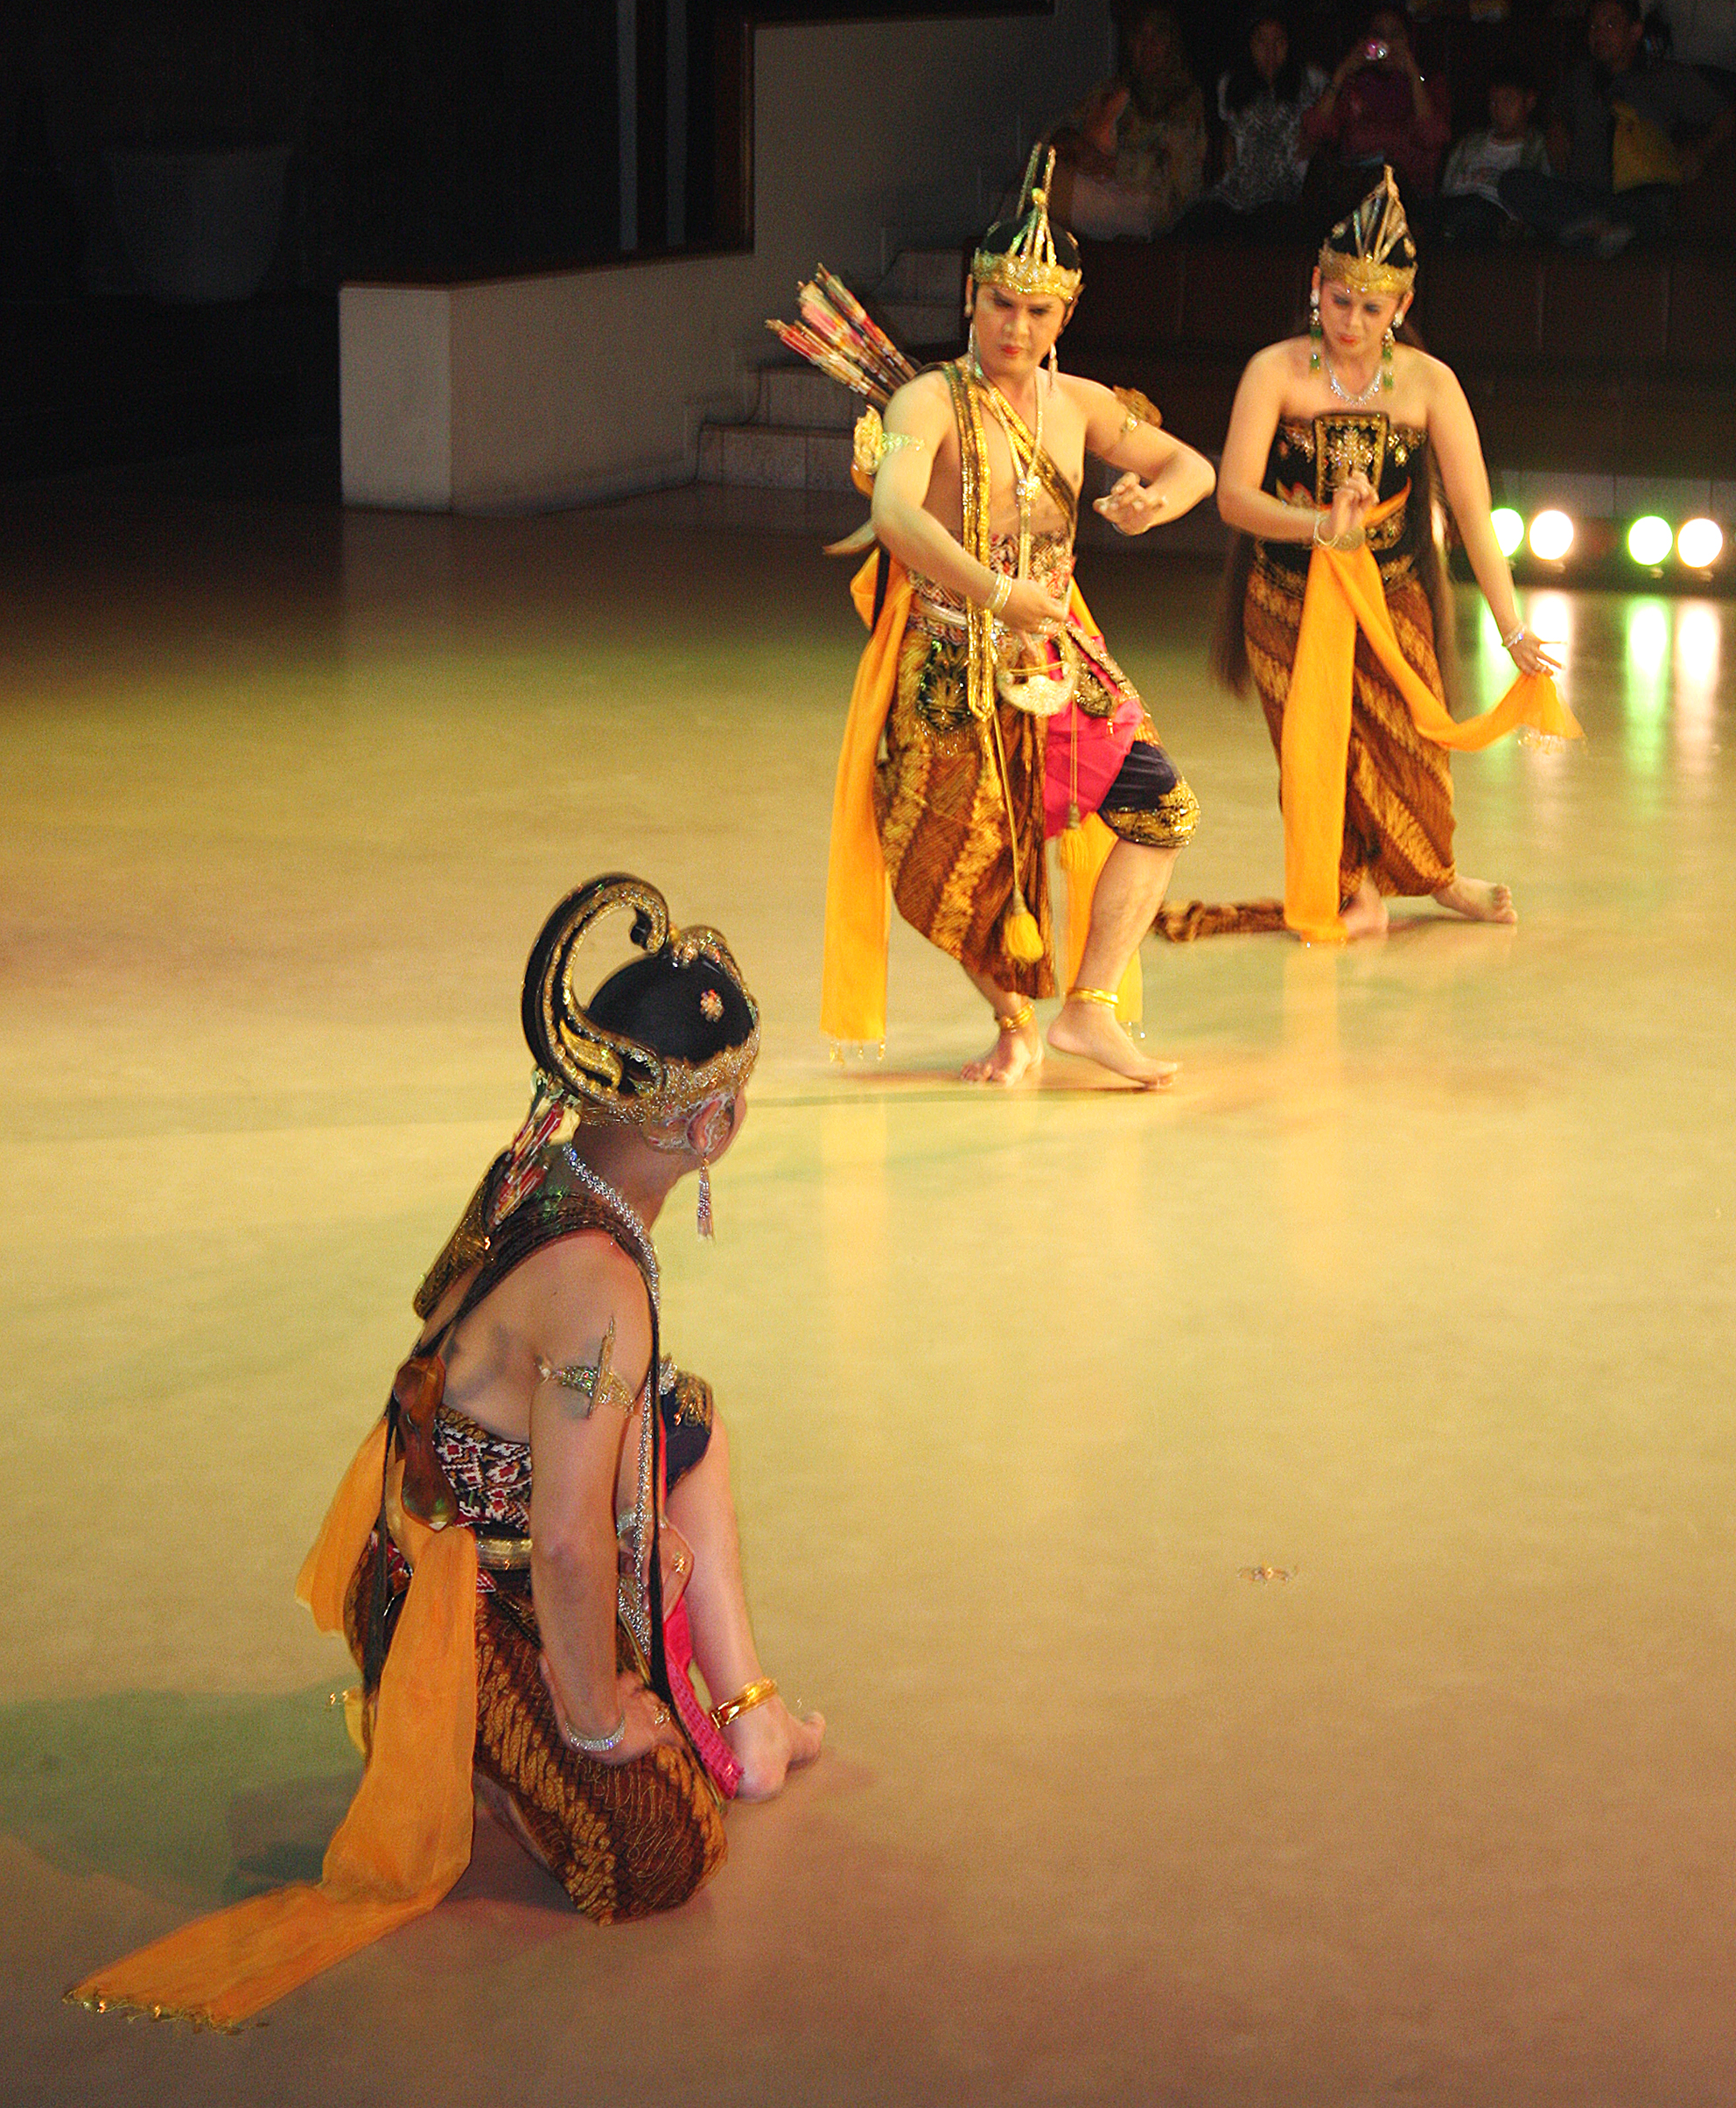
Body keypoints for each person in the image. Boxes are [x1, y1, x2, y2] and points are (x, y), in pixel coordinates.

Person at [71, 876, 822, 2028]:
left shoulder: (554, 1166)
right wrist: (595, 1715)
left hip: (465, 1508)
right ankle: (494, 1746)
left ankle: (751, 1713)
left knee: (690, 1423)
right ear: (710, 1127)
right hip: (461, 1588)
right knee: (663, 1858)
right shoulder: (601, 1288)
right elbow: (568, 1542)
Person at [818, 151, 1216, 1086]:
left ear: (1065, 317)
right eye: (1002, 303)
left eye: (1039, 312)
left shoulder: (1078, 403)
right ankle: (1011, 1017)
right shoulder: (927, 399)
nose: (1017, 326)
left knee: (1162, 808)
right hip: (952, 659)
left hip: (1055, 655)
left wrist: (1157, 503)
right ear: (971, 295)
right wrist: (997, 593)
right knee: (954, 872)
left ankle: (1085, 1011)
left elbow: (1189, 465)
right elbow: (897, 515)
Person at [1161, 168, 1578, 946]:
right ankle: (1354, 891)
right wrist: (1320, 528)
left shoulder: (1428, 384)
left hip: (1392, 593)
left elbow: (1475, 515)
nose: (1351, 320)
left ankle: (1435, 876)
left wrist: (1512, 627)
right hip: (1287, 592)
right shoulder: (1274, 370)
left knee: (1408, 745)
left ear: (1402, 308)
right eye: (1339, 299)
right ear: (1316, 286)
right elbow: (1233, 500)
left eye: (1371, 307)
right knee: (1315, 747)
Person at [1497, 0, 1732, 252]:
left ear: (1635, 31)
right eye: (1594, 27)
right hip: (1585, 197)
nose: (1599, 33)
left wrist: (1700, 150)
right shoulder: (1580, 79)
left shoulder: (1666, 77)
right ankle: (1597, 232)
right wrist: (1556, 127)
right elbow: (1555, 113)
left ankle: (1594, 234)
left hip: (1638, 201)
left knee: (1646, 217)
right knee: (1512, 183)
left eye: (1610, 24)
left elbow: (1728, 114)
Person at [1049, 1, 1208, 238]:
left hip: (1149, 204)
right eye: (1140, 36)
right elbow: (1061, 130)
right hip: (1099, 186)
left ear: (1171, 44)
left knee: (1057, 194)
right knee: (1037, 184)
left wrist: (1108, 164)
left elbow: (1180, 183)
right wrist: (1076, 147)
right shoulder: (1112, 90)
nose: (1148, 46)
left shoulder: (1185, 100)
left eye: (1158, 37)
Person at [1186, 9, 1327, 235]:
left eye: (1278, 41)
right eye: (1261, 41)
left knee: (1270, 223)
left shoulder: (1311, 80)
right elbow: (1228, 146)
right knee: (1199, 221)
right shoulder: (1231, 84)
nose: (1270, 51)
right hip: (1239, 193)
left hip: (1287, 195)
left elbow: (1327, 124)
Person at [1300, 6, 1452, 202]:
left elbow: (1433, 136)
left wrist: (1413, 75)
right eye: (1379, 35)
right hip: (1358, 195)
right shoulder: (1355, 86)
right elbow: (1315, 129)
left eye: (1395, 35)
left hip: (1408, 200)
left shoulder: (1430, 85)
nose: (1387, 43)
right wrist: (1343, 72)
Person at [1426, 60, 1549, 244]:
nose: (1499, 110)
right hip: (1455, 205)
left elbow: (1543, 201)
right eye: (1494, 101)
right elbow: (1447, 187)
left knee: (1475, 213)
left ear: (1529, 102)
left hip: (1493, 214)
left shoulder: (1537, 147)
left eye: (1508, 100)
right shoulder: (1470, 143)